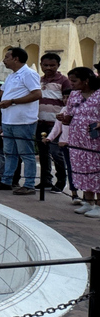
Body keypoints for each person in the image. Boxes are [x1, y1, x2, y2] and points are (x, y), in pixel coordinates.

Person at [0, 47, 42, 195]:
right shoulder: (12, 76)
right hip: (9, 120)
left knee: (26, 153)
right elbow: (0, 94)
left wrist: (13, 102)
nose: (4, 60)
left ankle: (29, 184)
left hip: (23, 121)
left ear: (16, 58)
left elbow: (37, 94)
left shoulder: (29, 74)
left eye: (7, 57)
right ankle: (7, 181)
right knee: (9, 152)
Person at [61, 67, 100, 217]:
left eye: (75, 81)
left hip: (95, 140)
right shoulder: (74, 95)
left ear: (86, 80)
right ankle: (88, 202)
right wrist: (64, 118)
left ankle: (99, 204)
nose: (71, 84)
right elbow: (69, 115)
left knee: (96, 171)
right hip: (77, 139)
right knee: (82, 169)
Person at [35, 53, 71, 192]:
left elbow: (69, 101)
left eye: (52, 65)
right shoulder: (39, 80)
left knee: (56, 153)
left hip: (56, 124)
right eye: (45, 65)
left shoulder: (64, 81)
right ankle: (46, 180)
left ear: (58, 66)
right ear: (41, 65)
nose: (48, 68)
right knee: (43, 153)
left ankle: (61, 181)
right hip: (40, 122)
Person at [45, 99, 79, 204]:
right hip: (64, 144)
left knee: (81, 171)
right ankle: (74, 194)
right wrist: (49, 138)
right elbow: (57, 128)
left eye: (68, 97)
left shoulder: (80, 110)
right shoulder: (63, 110)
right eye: (64, 97)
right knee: (70, 169)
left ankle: (88, 198)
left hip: (78, 145)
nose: (66, 99)